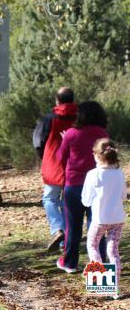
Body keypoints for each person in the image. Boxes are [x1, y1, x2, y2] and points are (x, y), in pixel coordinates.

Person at [56, 101, 108, 273]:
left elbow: (60, 157)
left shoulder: (71, 133)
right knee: (97, 227)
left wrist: (65, 141)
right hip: (98, 187)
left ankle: (69, 262)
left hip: (74, 185)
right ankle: (99, 268)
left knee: (73, 227)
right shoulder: (102, 134)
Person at [32, 87, 77, 252]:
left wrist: (44, 157)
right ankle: (64, 241)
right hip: (76, 167)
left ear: (57, 100)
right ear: (72, 100)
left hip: (54, 165)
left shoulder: (49, 119)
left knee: (49, 199)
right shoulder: (80, 118)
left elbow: (38, 142)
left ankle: (58, 230)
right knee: (68, 203)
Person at [82, 138, 125, 298]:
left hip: (100, 219)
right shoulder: (119, 173)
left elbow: (86, 200)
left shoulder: (93, 174)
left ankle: (101, 285)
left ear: (97, 155)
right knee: (113, 251)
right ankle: (115, 289)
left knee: (93, 246)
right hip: (118, 218)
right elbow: (123, 196)